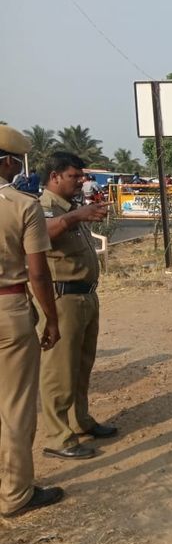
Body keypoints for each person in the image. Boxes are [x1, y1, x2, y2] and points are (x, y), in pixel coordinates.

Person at [0, 125, 64, 517]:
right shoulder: (22, 205)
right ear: (8, 161)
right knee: (15, 405)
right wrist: (51, 320)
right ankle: (15, 493)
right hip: (9, 310)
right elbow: (38, 273)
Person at [38, 152, 117, 460]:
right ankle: (58, 436)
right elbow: (42, 235)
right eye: (75, 176)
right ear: (55, 176)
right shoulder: (43, 208)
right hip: (62, 297)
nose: (81, 181)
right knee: (59, 369)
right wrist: (75, 217)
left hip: (85, 295)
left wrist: (77, 214)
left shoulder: (70, 208)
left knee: (82, 364)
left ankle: (79, 419)